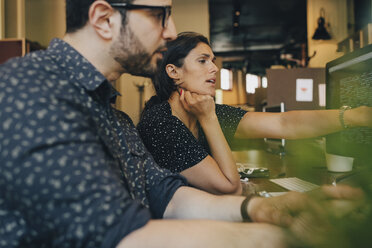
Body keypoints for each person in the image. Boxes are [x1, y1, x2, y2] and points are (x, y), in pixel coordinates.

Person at [0, 1, 362, 247]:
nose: (171, 30)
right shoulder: (34, 88)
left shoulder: (115, 115)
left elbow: (166, 195)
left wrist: (261, 209)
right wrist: (280, 236)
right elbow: (118, 238)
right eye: (161, 15)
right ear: (104, 19)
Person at [137, 31, 372, 195]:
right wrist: (208, 118)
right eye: (203, 60)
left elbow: (284, 124)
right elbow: (229, 186)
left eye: (213, 60)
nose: (214, 68)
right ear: (173, 71)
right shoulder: (161, 122)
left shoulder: (203, 110)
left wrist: (355, 116)